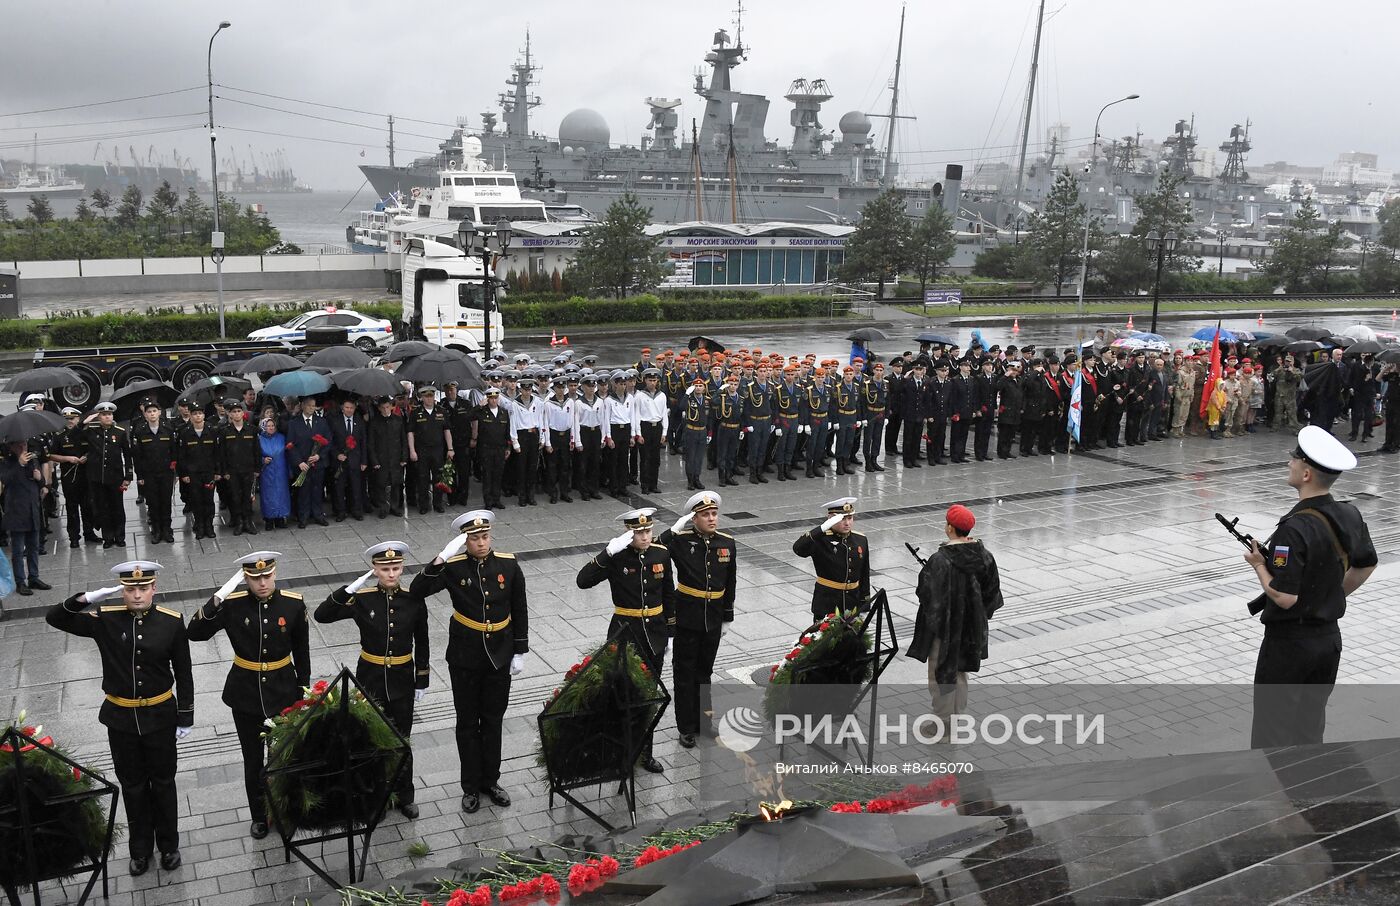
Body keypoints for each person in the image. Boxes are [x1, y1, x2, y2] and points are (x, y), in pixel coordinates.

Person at [46, 560, 193, 876]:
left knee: (164, 784)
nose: (137, 595)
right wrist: (86, 598)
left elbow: (184, 672)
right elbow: (55, 618)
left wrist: (185, 717)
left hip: (159, 716)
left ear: (154, 588)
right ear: (123, 590)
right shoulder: (105, 620)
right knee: (133, 786)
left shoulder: (171, 622)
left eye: (143, 588)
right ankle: (140, 850)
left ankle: (169, 846)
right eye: (130, 589)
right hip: (122, 718)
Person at [1243, 426, 1377, 748]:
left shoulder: (1295, 527)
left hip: (1290, 646)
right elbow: (1367, 563)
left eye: (1295, 458)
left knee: (1272, 736)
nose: (1289, 461)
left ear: (1306, 473)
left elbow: (1284, 596)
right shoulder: (1349, 513)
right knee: (1308, 731)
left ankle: (1277, 797)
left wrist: (1259, 565)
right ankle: (1307, 794)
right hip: (1327, 642)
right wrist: (1330, 594)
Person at [187, 552, 311, 838]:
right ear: (246, 579)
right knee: (252, 758)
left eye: (267, 576)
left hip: (283, 690)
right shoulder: (232, 604)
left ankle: (284, 809)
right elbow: (195, 633)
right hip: (245, 693)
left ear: (275, 574)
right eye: (255, 578)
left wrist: (303, 692)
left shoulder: (292, 604)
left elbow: (301, 652)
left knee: (284, 756)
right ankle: (259, 815)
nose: (263, 583)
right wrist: (216, 598)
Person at [411, 512, 528, 813]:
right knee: (466, 723)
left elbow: (519, 607)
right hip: (465, 654)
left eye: (485, 536)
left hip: (499, 653)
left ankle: (491, 781)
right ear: (464, 541)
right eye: (474, 538)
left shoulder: (508, 564)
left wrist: (520, 650)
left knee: (493, 720)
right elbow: (416, 591)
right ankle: (471, 786)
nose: (481, 542)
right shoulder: (453, 566)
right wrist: (439, 559)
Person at [315, 541, 428, 818]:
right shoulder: (362, 599)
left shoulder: (413, 598)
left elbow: (422, 641)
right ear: (374, 570)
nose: (392, 574)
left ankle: (405, 794)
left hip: (401, 678)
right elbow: (322, 616)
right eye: (385, 568)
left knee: (402, 738)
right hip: (371, 677)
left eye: (396, 568)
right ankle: (376, 797)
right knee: (370, 741)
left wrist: (421, 678)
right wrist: (348, 589)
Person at [575, 508, 675, 774]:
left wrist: (670, 632)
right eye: (638, 532)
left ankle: (646, 751)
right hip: (625, 634)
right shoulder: (616, 557)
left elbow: (668, 594)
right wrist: (607, 554)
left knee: (649, 697)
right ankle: (620, 752)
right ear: (628, 533)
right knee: (623, 694)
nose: (644, 536)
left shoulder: (661, 554)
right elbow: (582, 581)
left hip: (654, 634)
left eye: (647, 531)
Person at [906, 505, 1004, 723]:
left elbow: (926, 594)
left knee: (941, 673)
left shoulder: (940, 559)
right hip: (971, 629)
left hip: (946, 629)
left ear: (949, 528)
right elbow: (992, 592)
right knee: (960, 671)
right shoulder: (985, 556)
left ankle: (942, 724)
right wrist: (977, 616)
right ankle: (957, 715)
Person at [658, 492, 737, 748]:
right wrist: (673, 529)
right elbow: (655, 549)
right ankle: (686, 727)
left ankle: (704, 723)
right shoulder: (680, 541)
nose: (712, 519)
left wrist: (727, 616)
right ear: (694, 518)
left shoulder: (727, 542)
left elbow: (730, 583)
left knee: (705, 672)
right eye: (705, 515)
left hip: (713, 617)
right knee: (685, 673)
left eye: (714, 514)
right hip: (687, 615)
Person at [792, 497, 871, 623]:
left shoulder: (860, 539)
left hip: (852, 603)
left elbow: (864, 573)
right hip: (827, 603)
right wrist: (821, 529)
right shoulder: (820, 539)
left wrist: (865, 604)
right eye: (842, 519)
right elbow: (798, 549)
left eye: (849, 518)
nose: (847, 523)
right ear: (830, 519)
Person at [1, 440, 52, 595]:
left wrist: (40, 480)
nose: (24, 448)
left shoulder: (33, 459)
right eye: (19, 445)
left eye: (25, 444)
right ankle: (20, 581)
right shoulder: (7, 462)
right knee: (18, 550)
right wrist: (20, 465)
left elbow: (39, 481)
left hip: (32, 509)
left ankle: (34, 577)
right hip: (16, 510)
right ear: (11, 447)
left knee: (34, 547)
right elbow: (6, 480)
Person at [83, 400, 133, 548]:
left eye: (109, 414)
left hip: (115, 476)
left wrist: (128, 475)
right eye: (104, 415)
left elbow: (127, 455)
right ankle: (108, 537)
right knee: (103, 508)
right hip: (97, 477)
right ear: (99, 416)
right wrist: (85, 422)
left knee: (117, 508)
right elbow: (76, 434)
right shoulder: (91, 430)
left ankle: (120, 536)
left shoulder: (120, 431)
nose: (107, 417)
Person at [285, 396, 332, 528]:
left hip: (317, 463)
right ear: (303, 406)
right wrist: (299, 462)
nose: (312, 408)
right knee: (303, 491)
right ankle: (303, 516)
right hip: (302, 465)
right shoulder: (294, 423)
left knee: (317, 490)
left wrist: (319, 455)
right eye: (309, 405)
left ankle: (318, 515)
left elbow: (328, 441)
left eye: (313, 405)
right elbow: (290, 444)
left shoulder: (321, 422)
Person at [218, 400, 262, 536]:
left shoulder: (252, 430)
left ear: (243, 413)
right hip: (232, 471)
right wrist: (224, 471)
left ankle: (248, 522)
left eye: (239, 411)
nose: (236, 414)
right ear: (230, 415)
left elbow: (256, 451)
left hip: (248, 469)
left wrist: (257, 469)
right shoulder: (225, 431)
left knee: (248, 497)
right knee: (235, 497)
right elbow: (222, 453)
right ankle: (239, 522)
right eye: (233, 412)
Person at [407, 386, 453, 515]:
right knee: (422, 478)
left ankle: (438, 503)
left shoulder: (441, 411)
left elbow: (447, 431)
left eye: (431, 396)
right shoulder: (416, 413)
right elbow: (410, 432)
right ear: (422, 397)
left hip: (438, 450)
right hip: (422, 450)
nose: (429, 399)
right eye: (426, 396)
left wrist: (450, 448)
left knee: (438, 478)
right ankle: (423, 504)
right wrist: (412, 450)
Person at [367, 396, 408, 517]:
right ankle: (383, 507)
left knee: (396, 483)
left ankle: (394, 507)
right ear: (379, 408)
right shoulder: (374, 422)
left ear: (391, 406)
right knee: (380, 484)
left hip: (395, 457)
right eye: (383, 408)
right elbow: (371, 443)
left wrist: (404, 457)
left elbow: (403, 440)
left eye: (387, 407)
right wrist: (374, 460)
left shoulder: (398, 420)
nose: (385, 410)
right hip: (381, 458)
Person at [330, 398, 368, 521]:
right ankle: (341, 511)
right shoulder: (335, 422)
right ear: (342, 408)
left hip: (355, 460)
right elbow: (330, 442)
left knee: (356, 487)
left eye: (351, 408)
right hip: (340, 461)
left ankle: (356, 510)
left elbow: (363, 442)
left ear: (354, 408)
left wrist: (364, 461)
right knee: (339, 487)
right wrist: (337, 454)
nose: (349, 410)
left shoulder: (359, 421)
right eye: (347, 407)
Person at [257, 416, 292, 530]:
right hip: (267, 472)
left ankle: (281, 517)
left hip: (281, 471)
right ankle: (269, 519)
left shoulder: (282, 437)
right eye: (268, 426)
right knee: (268, 495)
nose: (271, 428)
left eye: (273, 426)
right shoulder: (259, 439)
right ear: (263, 427)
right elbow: (255, 455)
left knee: (282, 494)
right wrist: (262, 460)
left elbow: (287, 454)